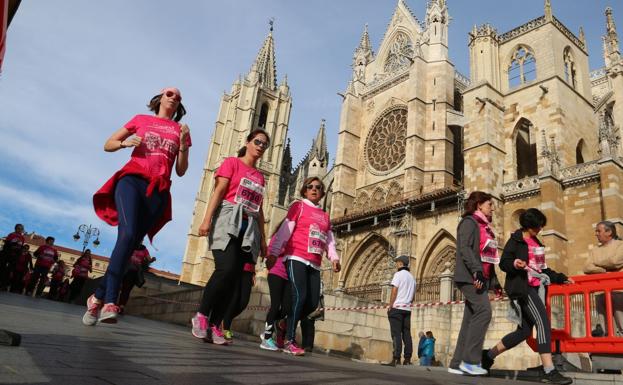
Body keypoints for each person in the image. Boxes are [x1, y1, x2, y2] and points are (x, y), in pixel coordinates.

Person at [85, 87, 191, 325]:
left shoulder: (181, 130)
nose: (174, 98)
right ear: (160, 98)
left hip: (159, 189)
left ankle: (97, 296)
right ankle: (110, 300)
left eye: (178, 97)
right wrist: (125, 143)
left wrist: (183, 145)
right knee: (129, 235)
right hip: (132, 180)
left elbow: (182, 170)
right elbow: (108, 144)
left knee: (131, 244)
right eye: (170, 94)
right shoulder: (140, 119)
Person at [191, 129, 269, 345]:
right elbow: (219, 191)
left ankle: (216, 325)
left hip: (249, 227)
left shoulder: (260, 177)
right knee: (225, 269)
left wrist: (263, 240)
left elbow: (259, 209)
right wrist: (207, 219)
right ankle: (202, 315)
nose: (261, 146)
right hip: (227, 219)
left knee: (235, 279)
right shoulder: (232, 163)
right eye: (257, 142)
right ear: (248, 142)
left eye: (264, 144)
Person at [482, 208, 573, 385]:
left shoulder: (537, 243)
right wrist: (515, 263)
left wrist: (561, 278)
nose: (540, 229)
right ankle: (549, 370)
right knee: (542, 322)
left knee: (523, 331)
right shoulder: (515, 240)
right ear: (529, 225)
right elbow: (504, 263)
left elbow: (543, 269)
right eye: (538, 226)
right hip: (522, 289)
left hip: (535, 288)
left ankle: (487, 356)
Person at [266, 177, 341, 356]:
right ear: (304, 190)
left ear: (323, 192)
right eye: (310, 187)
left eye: (318, 187)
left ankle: (283, 322)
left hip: (314, 263)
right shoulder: (298, 207)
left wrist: (334, 257)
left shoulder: (324, 216)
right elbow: (285, 230)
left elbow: (328, 240)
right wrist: (274, 252)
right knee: (299, 295)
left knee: (312, 303)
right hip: (296, 257)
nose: (314, 189)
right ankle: (290, 340)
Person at [449, 191, 502, 376]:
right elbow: (465, 249)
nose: (492, 208)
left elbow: (487, 258)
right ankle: (470, 361)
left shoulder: (485, 228)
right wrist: (476, 271)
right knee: (484, 312)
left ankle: (456, 363)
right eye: (489, 204)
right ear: (479, 205)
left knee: (470, 319)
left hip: (479, 278)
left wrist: (494, 282)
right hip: (469, 277)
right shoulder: (469, 223)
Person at [583, 221, 623, 335]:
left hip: (618, 291)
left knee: (621, 321)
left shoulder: (620, 245)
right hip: (600, 292)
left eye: (598, 231)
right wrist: (605, 270)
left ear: (609, 232)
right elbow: (586, 267)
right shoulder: (595, 249)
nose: (596, 234)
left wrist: (596, 263)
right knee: (605, 324)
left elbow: (615, 262)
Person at [385, 255, 416, 366]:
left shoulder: (398, 275)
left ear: (401, 263)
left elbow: (394, 290)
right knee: (406, 334)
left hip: (397, 308)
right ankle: (407, 359)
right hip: (407, 309)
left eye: (397, 262)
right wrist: (408, 303)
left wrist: (390, 305)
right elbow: (413, 296)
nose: (396, 264)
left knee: (396, 333)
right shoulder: (412, 277)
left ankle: (396, 358)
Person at [260, 243, 290, 351]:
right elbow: (268, 253)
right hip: (276, 273)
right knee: (275, 305)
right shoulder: (279, 236)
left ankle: (275, 323)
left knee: (287, 308)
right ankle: (267, 338)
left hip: (289, 277)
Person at [221, 262, 255, 343]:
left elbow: (254, 256)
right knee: (234, 299)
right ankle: (226, 328)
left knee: (244, 302)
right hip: (237, 267)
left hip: (249, 270)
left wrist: (253, 273)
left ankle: (225, 319)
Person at [118, 244, 156, 314]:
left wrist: (152, 260)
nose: (141, 240)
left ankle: (121, 306)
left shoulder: (144, 249)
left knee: (127, 289)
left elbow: (149, 259)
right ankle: (118, 305)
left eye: (142, 239)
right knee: (123, 288)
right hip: (126, 269)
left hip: (135, 272)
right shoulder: (131, 244)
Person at [0, 224, 25, 290]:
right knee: (3, 269)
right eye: (19, 228)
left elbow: (20, 247)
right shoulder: (11, 235)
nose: (20, 230)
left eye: (21, 229)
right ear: (15, 229)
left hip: (15, 256)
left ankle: (4, 285)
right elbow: (6, 244)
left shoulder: (22, 238)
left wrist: (19, 254)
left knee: (10, 271)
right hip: (7, 254)